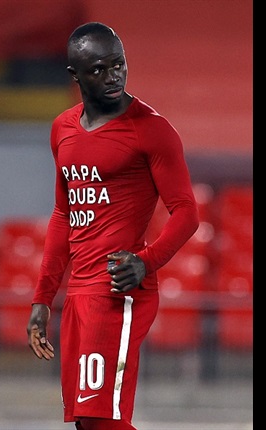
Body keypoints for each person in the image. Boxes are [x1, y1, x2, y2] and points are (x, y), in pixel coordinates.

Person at [26, 22, 199, 430]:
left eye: (118, 64)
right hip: (79, 292)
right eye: (100, 69)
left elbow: (187, 212)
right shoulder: (62, 130)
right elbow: (63, 215)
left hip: (120, 288)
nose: (114, 75)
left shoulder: (152, 130)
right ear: (76, 76)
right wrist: (42, 298)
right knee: (86, 422)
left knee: (100, 418)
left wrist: (146, 262)